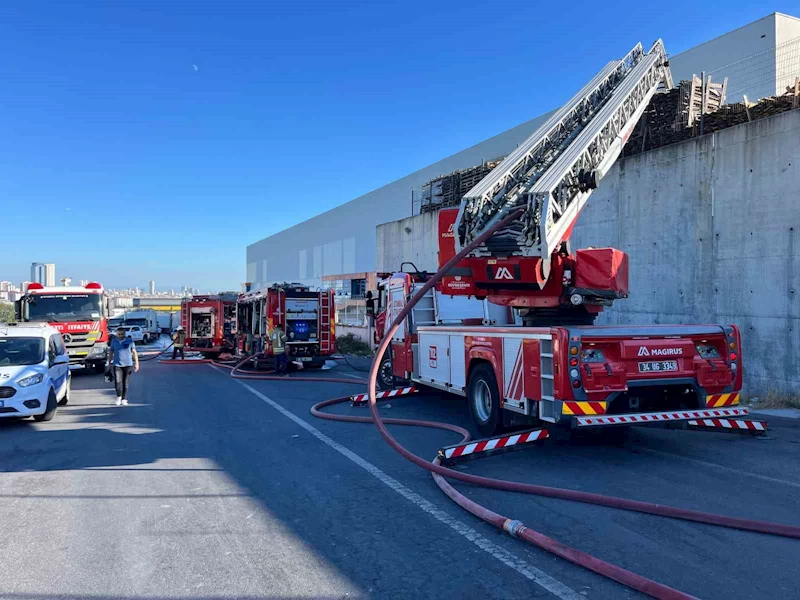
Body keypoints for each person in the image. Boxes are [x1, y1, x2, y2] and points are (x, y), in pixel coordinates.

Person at [108, 327, 139, 406]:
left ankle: (124, 399)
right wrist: (109, 363)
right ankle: (119, 396)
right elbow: (111, 352)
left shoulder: (129, 341)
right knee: (118, 382)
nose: (120, 336)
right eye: (119, 334)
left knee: (125, 383)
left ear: (125, 334)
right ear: (116, 334)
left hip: (128, 364)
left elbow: (134, 352)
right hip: (117, 364)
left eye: (122, 334)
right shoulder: (114, 341)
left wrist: (137, 363)